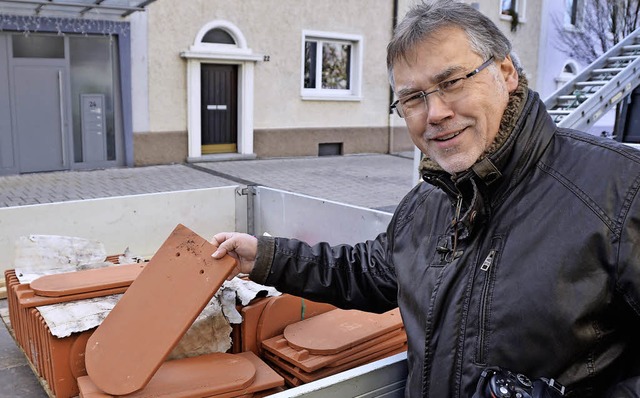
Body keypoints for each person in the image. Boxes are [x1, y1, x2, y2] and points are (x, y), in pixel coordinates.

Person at [212, 1, 640, 396]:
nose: (435, 113)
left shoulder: (620, 190)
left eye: (451, 82)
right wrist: (264, 257)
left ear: (506, 72)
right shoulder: (428, 202)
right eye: (413, 98)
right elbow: (368, 272)